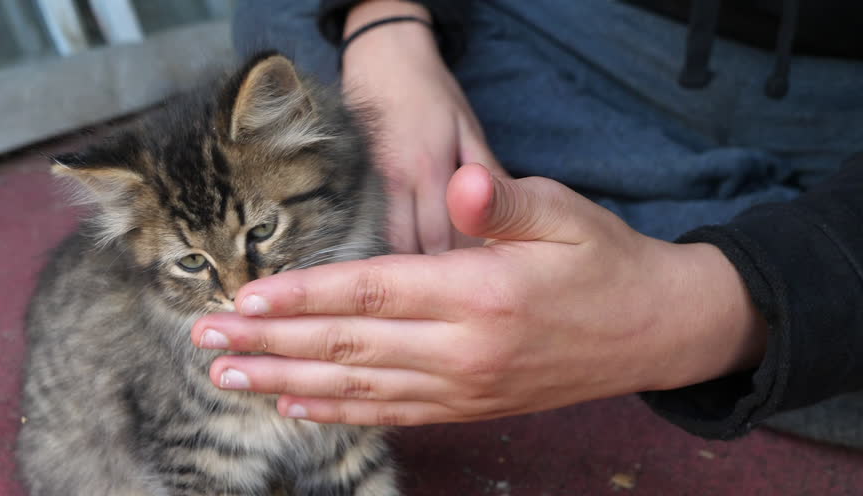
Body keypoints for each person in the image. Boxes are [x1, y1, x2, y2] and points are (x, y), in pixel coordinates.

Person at [192, 0, 863, 448]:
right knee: (281, 21)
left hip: (838, 90)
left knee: (813, 314)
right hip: (559, 25)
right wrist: (384, 24)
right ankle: (725, 244)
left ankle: (733, 279)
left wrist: (692, 313)